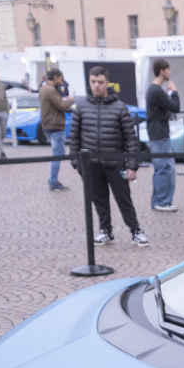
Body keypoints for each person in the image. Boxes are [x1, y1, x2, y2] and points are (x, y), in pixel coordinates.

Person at [68, 65, 148, 246]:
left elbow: (130, 138)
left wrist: (131, 165)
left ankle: (135, 230)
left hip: (116, 163)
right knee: (99, 200)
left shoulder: (120, 107)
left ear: (107, 83)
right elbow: (74, 137)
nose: (96, 85)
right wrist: (76, 162)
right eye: (93, 82)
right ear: (89, 81)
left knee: (124, 199)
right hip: (91, 164)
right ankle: (105, 230)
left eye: (100, 82)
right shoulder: (81, 107)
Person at [145, 57, 180, 212]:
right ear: (162, 71)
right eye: (168, 69)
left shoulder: (155, 90)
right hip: (159, 134)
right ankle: (162, 201)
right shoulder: (155, 90)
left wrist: (169, 95)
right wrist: (174, 91)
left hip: (158, 133)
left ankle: (159, 200)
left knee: (163, 167)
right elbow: (175, 107)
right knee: (165, 167)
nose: (171, 72)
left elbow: (166, 109)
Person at [38, 68, 75, 190]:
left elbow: (56, 103)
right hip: (55, 126)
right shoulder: (50, 90)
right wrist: (70, 100)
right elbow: (62, 106)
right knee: (58, 155)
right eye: (61, 78)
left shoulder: (43, 88)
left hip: (48, 125)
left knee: (58, 153)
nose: (61, 81)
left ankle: (52, 179)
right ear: (55, 78)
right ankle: (53, 180)